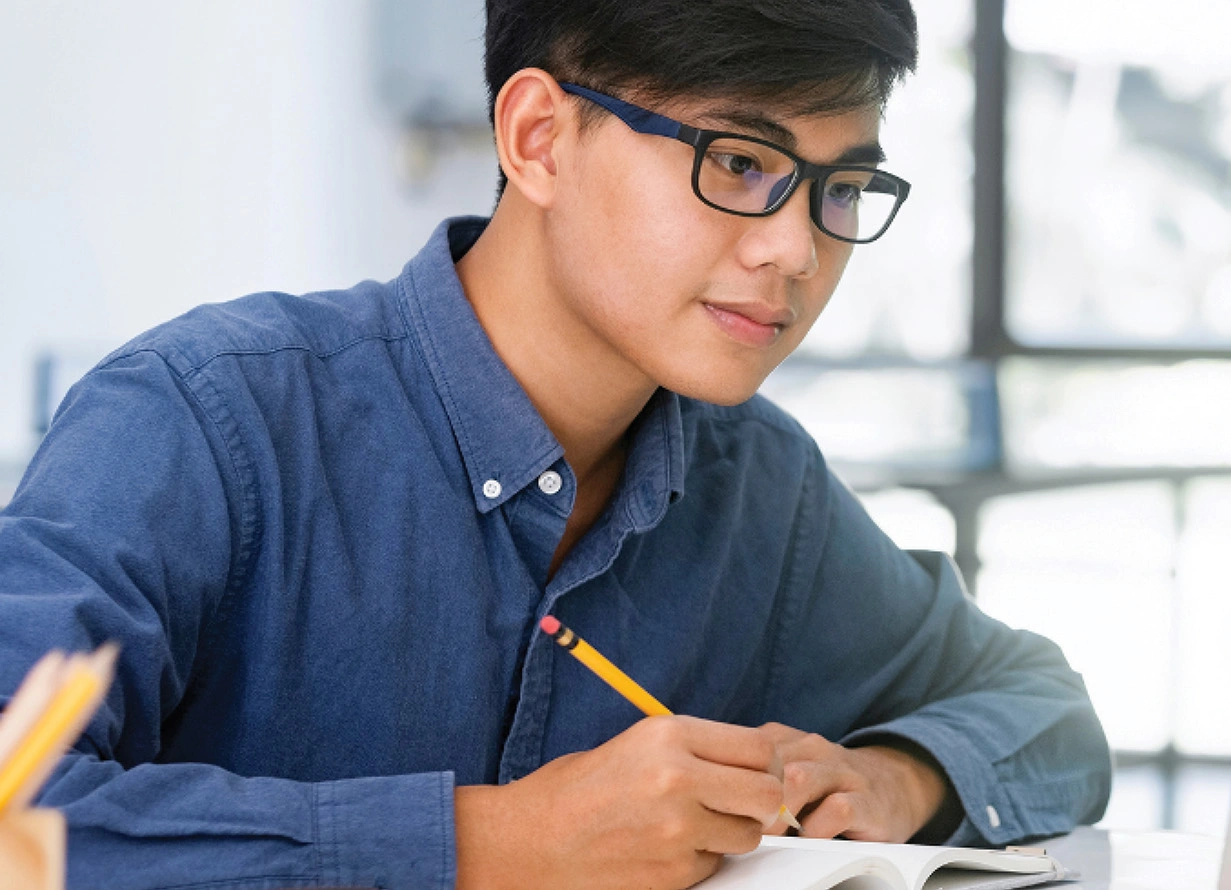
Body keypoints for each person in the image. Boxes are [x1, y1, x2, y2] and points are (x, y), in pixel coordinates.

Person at [0, 1, 1112, 886]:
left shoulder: (758, 489)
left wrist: (895, 776)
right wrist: (491, 846)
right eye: (735, 161)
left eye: (840, 186)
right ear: (537, 137)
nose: (794, 251)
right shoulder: (206, 420)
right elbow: (15, 813)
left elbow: (1039, 703)